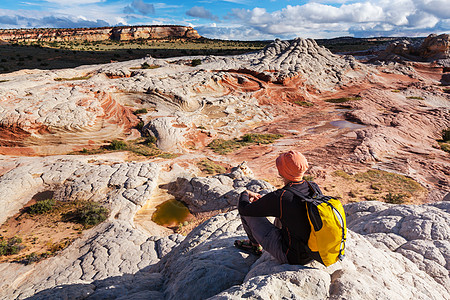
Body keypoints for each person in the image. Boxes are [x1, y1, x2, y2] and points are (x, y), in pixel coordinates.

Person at [235, 150, 321, 265]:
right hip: (314, 252)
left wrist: (245, 194)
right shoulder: (313, 187)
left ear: (282, 171)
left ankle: (254, 246)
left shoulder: (282, 197)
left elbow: (244, 209)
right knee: (284, 214)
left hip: (291, 256)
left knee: (249, 214)